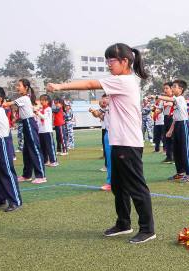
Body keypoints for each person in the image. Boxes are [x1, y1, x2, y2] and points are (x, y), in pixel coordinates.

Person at [47, 42, 155, 244]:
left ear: (125, 61)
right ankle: (123, 223)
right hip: (119, 142)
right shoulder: (121, 80)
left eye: (111, 61)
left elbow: (89, 85)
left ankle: (148, 229)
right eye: (107, 61)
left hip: (128, 143)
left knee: (136, 187)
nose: (108, 65)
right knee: (118, 186)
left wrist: (60, 86)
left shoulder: (124, 80)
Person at [3, 79, 47, 184]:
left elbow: (8, 104)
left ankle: (41, 176)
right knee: (27, 151)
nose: (17, 87)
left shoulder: (24, 98)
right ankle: (26, 175)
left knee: (34, 149)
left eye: (19, 85)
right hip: (26, 124)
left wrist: (0, 102)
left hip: (29, 123)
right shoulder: (24, 98)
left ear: (26, 87)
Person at [154, 80, 189, 183]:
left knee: (186, 150)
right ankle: (180, 173)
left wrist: (157, 96)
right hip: (177, 125)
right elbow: (175, 117)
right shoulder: (176, 100)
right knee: (177, 150)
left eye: (174, 86)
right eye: (172, 86)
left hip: (184, 125)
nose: (172, 88)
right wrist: (171, 130)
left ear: (180, 89)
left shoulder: (180, 98)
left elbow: (171, 99)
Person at [89, 97, 112, 191]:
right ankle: (110, 182)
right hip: (109, 133)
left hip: (121, 133)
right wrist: (93, 111)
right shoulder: (105, 108)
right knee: (110, 160)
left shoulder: (119, 103)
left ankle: (131, 181)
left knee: (125, 159)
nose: (104, 100)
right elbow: (98, 114)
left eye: (106, 98)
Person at [36, 94, 58, 167]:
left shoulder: (48, 109)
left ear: (47, 101)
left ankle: (54, 161)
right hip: (41, 131)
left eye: (43, 100)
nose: (41, 101)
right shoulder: (41, 109)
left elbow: (44, 117)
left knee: (50, 146)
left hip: (47, 130)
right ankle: (45, 161)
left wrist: (37, 112)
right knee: (43, 147)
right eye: (40, 100)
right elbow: (38, 118)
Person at [161, 82, 175, 163]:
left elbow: (171, 103)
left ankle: (174, 157)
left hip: (172, 119)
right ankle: (168, 156)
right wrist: (156, 110)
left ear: (171, 89)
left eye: (167, 88)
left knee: (172, 138)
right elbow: (160, 109)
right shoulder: (163, 99)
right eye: (164, 88)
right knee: (166, 138)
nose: (165, 90)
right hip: (166, 118)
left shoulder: (175, 98)